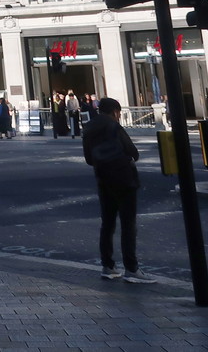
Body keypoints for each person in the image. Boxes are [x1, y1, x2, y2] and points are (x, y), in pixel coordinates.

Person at [82, 97, 156, 283]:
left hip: (103, 178)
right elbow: (133, 151)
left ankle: (108, 265)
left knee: (107, 223)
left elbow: (89, 158)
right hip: (124, 179)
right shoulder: (114, 127)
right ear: (115, 111)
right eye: (119, 113)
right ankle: (131, 268)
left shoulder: (89, 128)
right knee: (128, 225)